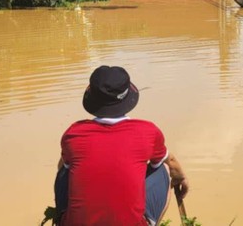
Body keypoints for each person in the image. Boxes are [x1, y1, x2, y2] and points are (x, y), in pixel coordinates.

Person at [56, 65, 188, 226]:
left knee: (65, 167)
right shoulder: (147, 131)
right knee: (163, 167)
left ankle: (62, 218)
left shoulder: (74, 134)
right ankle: (149, 222)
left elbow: (63, 168)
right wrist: (181, 179)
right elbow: (172, 162)